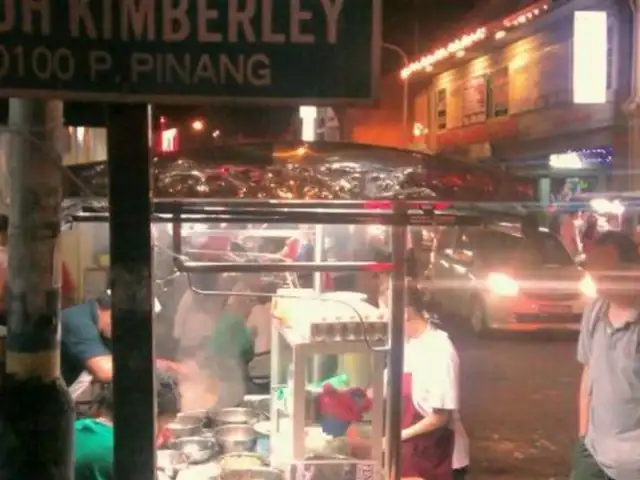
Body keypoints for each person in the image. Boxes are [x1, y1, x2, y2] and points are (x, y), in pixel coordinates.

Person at [570, 231, 640, 480]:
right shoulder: (596, 310)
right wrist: (583, 436)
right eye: (594, 276)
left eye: (606, 275)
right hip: (593, 455)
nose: (599, 284)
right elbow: (589, 372)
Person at [61, 290, 183, 388]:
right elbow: (104, 370)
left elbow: (129, 360)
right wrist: (154, 370)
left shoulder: (104, 329)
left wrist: (169, 367)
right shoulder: (77, 323)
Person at [73, 369, 181, 480]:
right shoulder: (125, 455)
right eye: (164, 425)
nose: (163, 435)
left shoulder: (74, 429)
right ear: (149, 419)